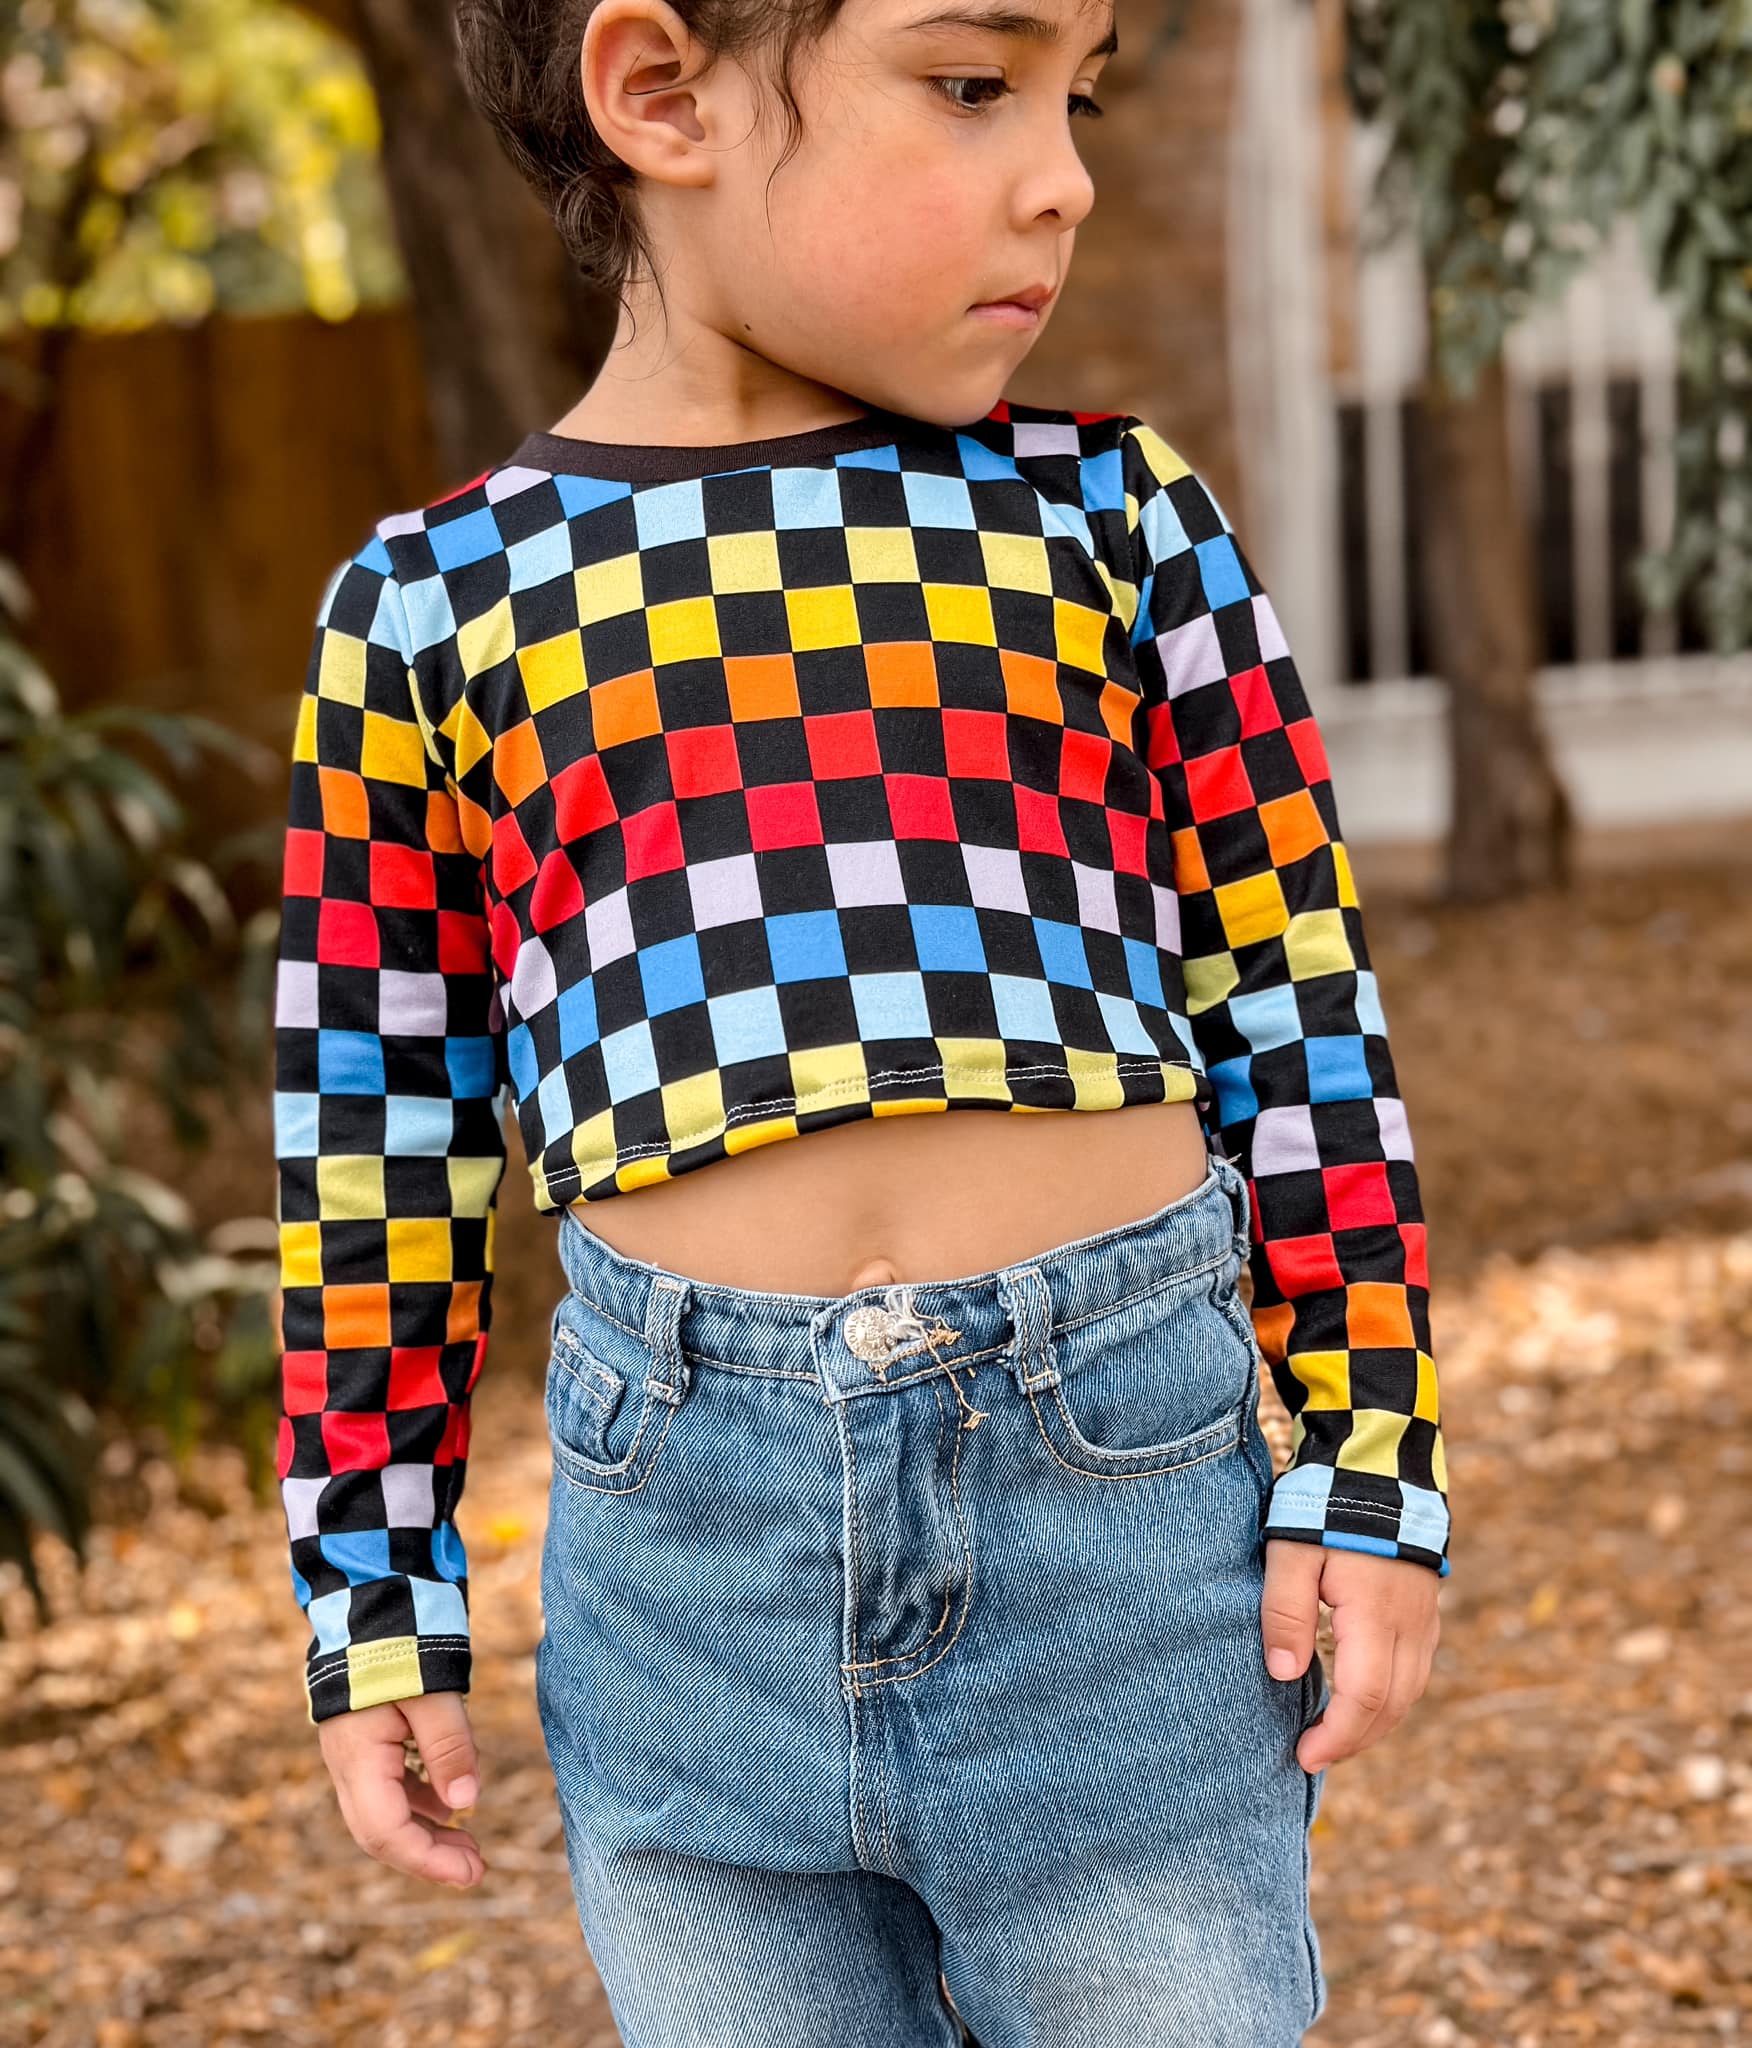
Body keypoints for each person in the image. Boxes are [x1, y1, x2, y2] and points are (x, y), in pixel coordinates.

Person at [271, 0, 1450, 2038]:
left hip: (1123, 1546)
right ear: (662, 94)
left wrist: (1372, 1457)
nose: (1063, 177)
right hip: (685, 1598)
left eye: (1079, 96)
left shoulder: (1113, 519)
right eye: (975, 84)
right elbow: (375, 1144)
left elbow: (1297, 1015)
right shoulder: (433, 605)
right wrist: (371, 1598)